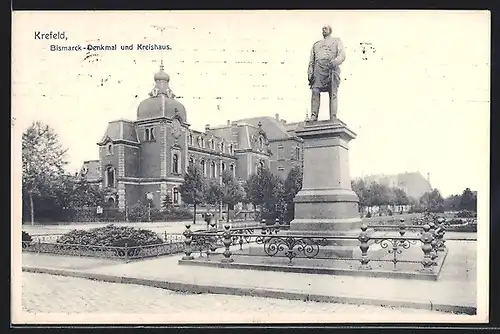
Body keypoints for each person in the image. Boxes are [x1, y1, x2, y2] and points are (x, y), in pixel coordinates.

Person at [308, 25, 346, 121]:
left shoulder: (336, 41)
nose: (323, 30)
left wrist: (335, 62)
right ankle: (313, 115)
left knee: (333, 93)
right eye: (323, 29)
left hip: (331, 69)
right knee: (315, 91)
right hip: (318, 70)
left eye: (326, 28)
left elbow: (342, 55)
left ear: (330, 30)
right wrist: (310, 72)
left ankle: (333, 115)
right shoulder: (316, 45)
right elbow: (311, 61)